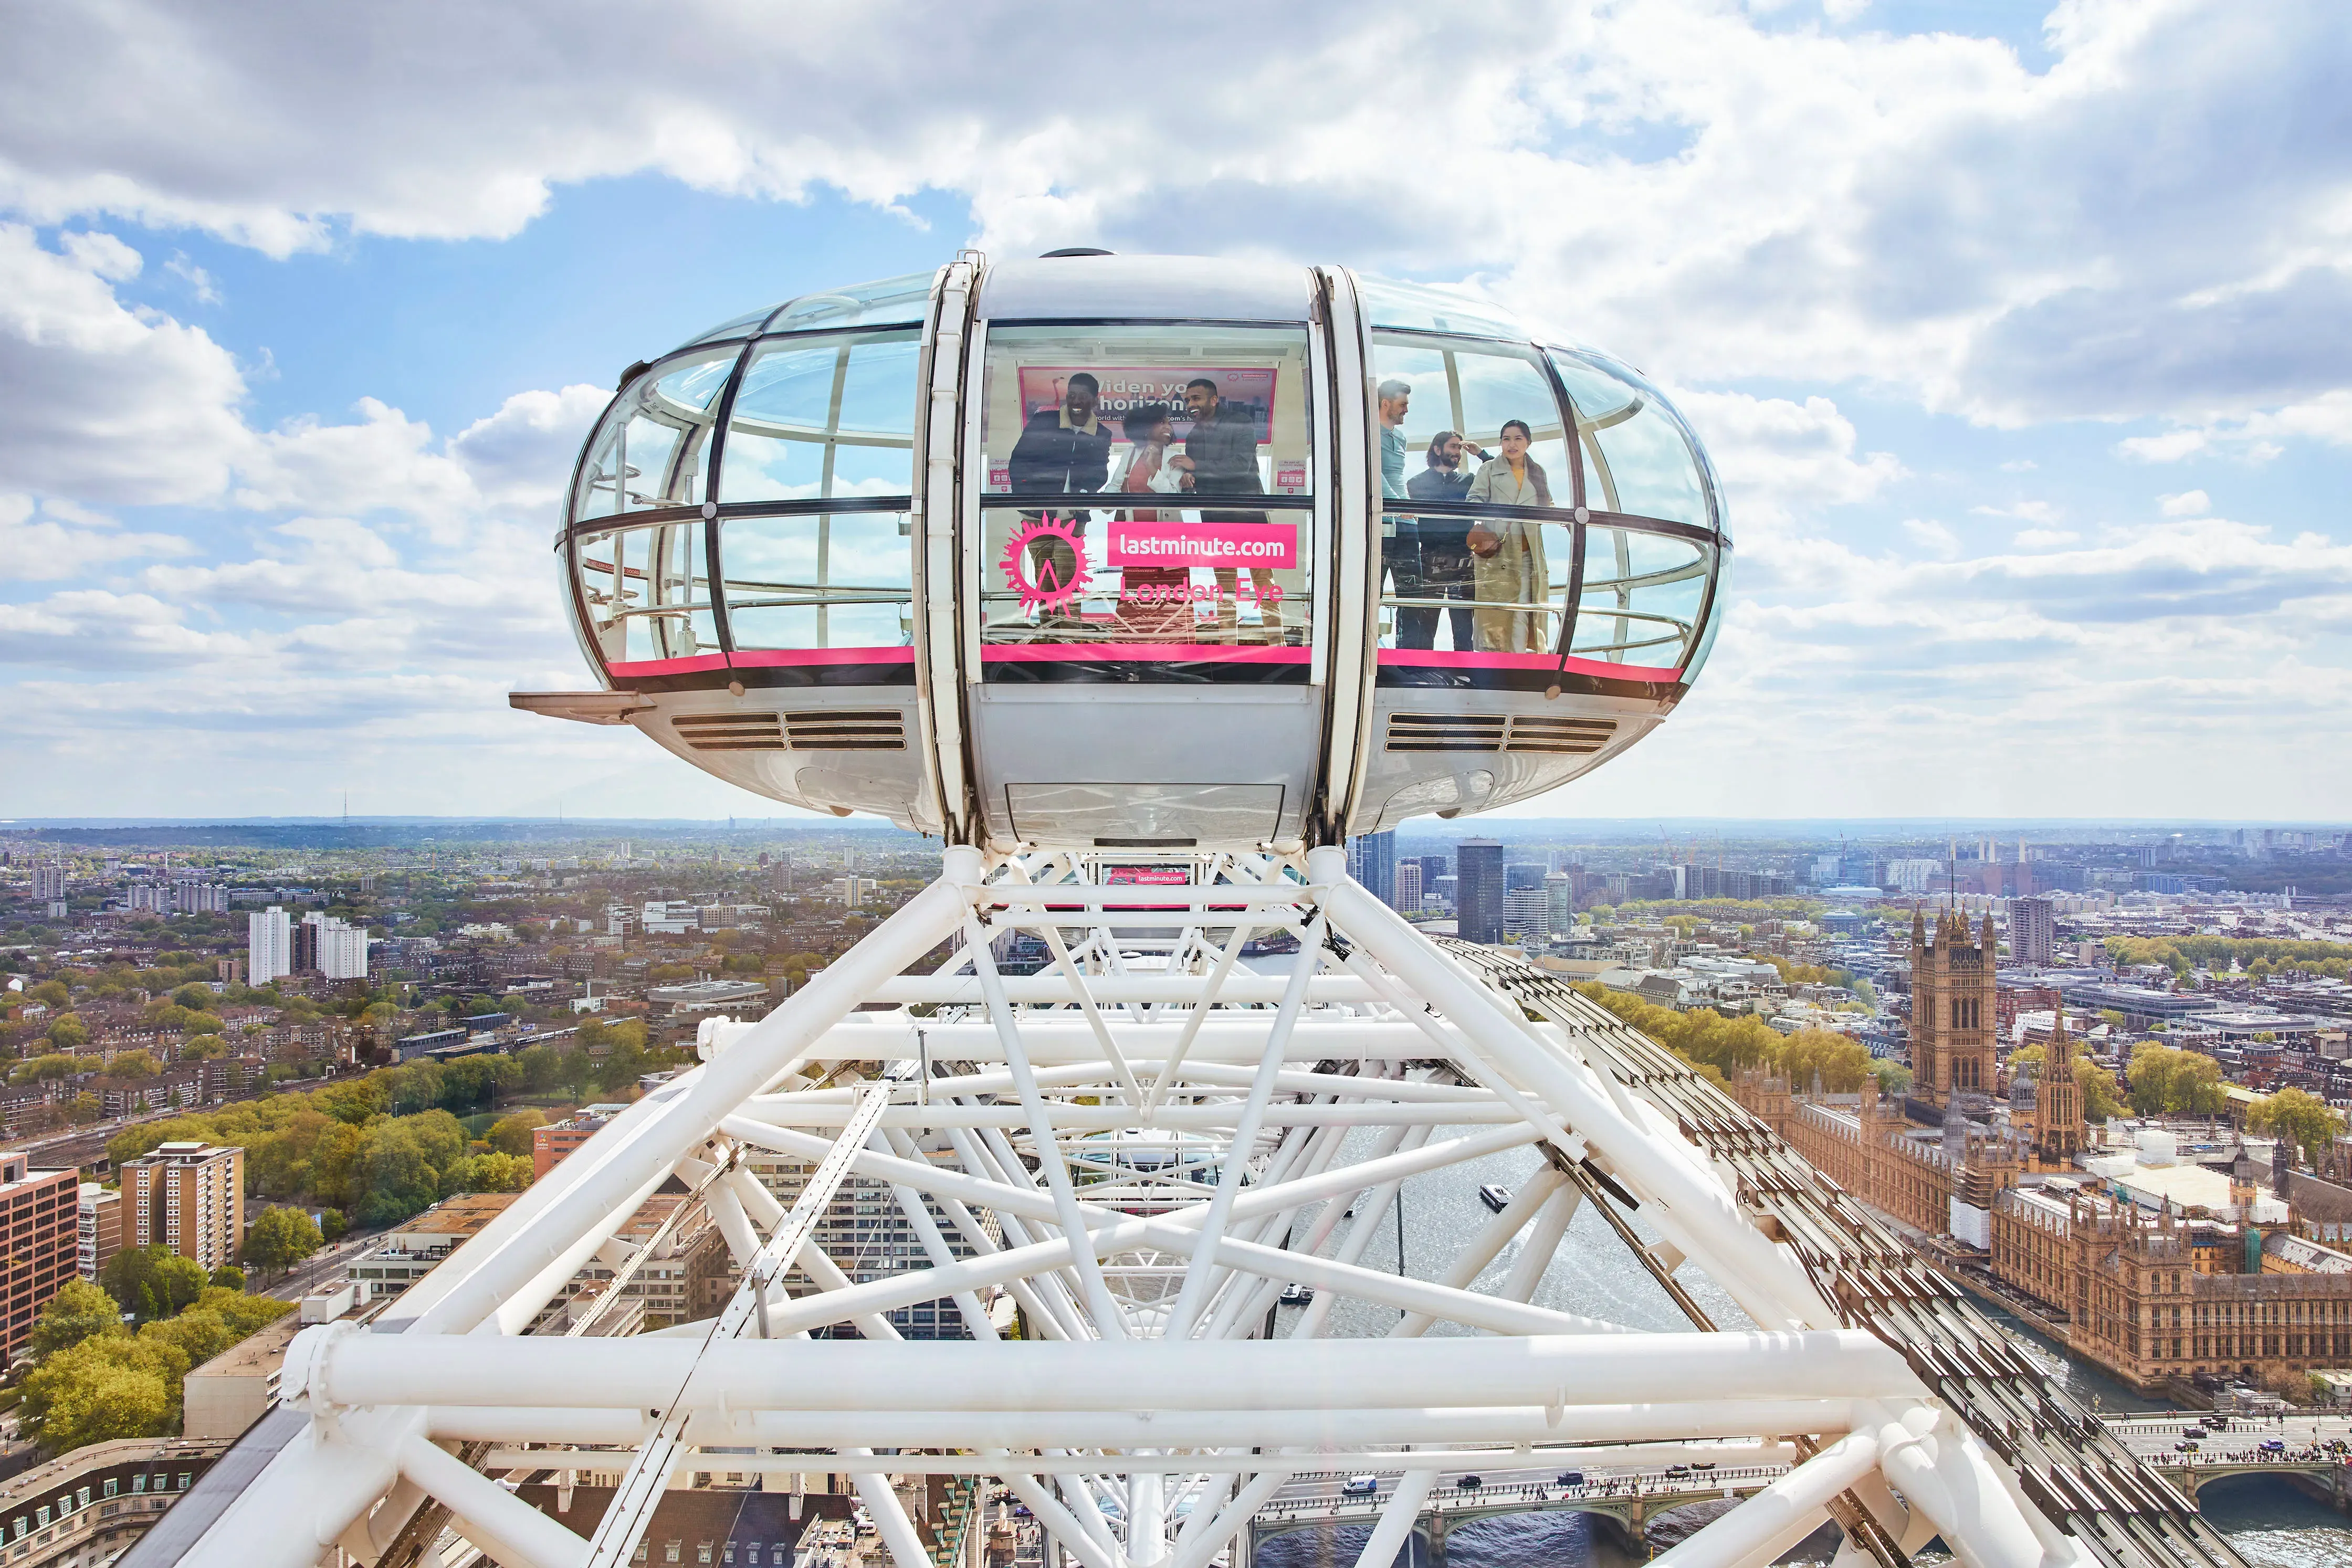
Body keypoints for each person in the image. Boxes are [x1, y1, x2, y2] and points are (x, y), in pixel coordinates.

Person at [1170, 377, 1278, 636]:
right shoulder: (1194, 436)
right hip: (1215, 518)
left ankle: (1278, 644)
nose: (1190, 404)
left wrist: (1197, 468)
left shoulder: (1240, 422)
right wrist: (1187, 480)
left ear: (1214, 400)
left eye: (1196, 398)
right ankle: (1229, 646)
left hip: (1249, 515)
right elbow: (1198, 481)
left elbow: (1241, 467)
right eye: (1187, 400)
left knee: (1264, 582)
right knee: (1224, 586)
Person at [1005, 372, 1112, 628]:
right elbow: (1018, 461)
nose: (1076, 400)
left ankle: (1069, 636)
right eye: (1072, 394)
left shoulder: (1102, 434)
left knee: (1069, 575)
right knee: (1045, 577)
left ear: (1094, 400)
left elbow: (1100, 472)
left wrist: (1087, 491)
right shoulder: (1044, 421)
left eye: (1083, 396)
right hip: (1036, 515)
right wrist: (1028, 495)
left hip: (1072, 518)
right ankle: (1049, 636)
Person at [1464, 418, 1553, 653]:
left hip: (1529, 552)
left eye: (1518, 439)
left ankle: (1520, 657)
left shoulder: (1537, 472)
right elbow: (1473, 500)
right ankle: (1491, 663)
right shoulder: (1489, 468)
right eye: (1506, 439)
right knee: (1496, 611)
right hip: (1498, 553)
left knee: (1525, 607)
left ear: (1528, 442)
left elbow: (1547, 505)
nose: (1511, 444)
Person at [1399, 429, 1489, 649]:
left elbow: (1499, 474)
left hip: (1464, 556)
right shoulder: (1416, 483)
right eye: (1453, 446)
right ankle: (1423, 671)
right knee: (1426, 621)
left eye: (1460, 447)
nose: (1458, 452)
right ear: (1437, 449)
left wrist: (1481, 454)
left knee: (1464, 623)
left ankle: (1465, 672)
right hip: (1430, 555)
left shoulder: (1469, 480)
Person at [1108, 404, 1191, 641]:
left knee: (1174, 607)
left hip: (1169, 545)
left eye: (1168, 422)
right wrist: (1100, 501)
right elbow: (1115, 486)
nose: (1168, 426)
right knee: (1136, 606)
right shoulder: (1130, 454)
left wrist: (1154, 468)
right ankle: (1134, 663)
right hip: (1136, 544)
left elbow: (1173, 497)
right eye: (1160, 422)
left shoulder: (1176, 457)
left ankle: (1175, 664)